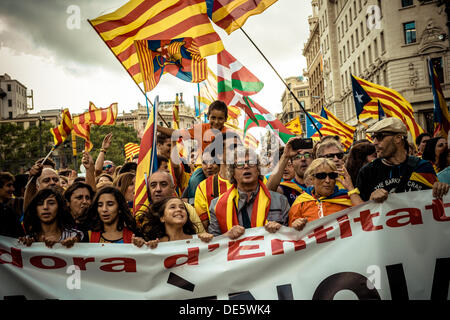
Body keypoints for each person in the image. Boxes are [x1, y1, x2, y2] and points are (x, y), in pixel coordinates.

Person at [356, 117, 449, 202]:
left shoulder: (423, 167)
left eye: (380, 137)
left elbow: (435, 204)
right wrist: (370, 200)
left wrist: (441, 189)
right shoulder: (367, 172)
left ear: (398, 138)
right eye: (373, 137)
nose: (374, 142)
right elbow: (359, 214)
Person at [208, 148, 290, 239]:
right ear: (233, 173)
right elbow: (213, 244)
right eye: (240, 164)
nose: (246, 166)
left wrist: (281, 230)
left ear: (258, 170)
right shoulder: (217, 205)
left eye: (251, 162)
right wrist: (226, 236)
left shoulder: (280, 200)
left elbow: (292, 236)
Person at [288, 158, 362, 231]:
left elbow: (365, 216)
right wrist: (295, 225)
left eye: (332, 175)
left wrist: (350, 188)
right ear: (311, 179)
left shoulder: (347, 198)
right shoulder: (301, 202)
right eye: (321, 176)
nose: (327, 180)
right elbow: (290, 234)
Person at [194, 132, 241, 228]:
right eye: (233, 147)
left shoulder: (254, 180)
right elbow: (205, 229)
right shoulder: (203, 188)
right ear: (219, 155)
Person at [135, 171, 205, 234]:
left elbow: (200, 236)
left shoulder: (186, 209)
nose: (158, 189)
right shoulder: (144, 213)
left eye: (163, 184)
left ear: (173, 189)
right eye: (153, 185)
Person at [132, 197, 213, 248]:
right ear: (162, 218)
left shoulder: (199, 240)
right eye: (172, 207)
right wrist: (142, 247)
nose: (179, 210)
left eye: (182, 207)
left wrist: (210, 241)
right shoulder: (154, 244)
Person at [266, 137, 313, 206]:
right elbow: (269, 191)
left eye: (307, 155)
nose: (303, 159)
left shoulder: (324, 184)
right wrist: (285, 156)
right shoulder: (287, 188)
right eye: (298, 157)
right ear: (292, 163)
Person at [0, 172, 25, 237]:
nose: (13, 189)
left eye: (12, 185)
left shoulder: (9, 211)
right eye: (8, 185)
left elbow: (20, 235)